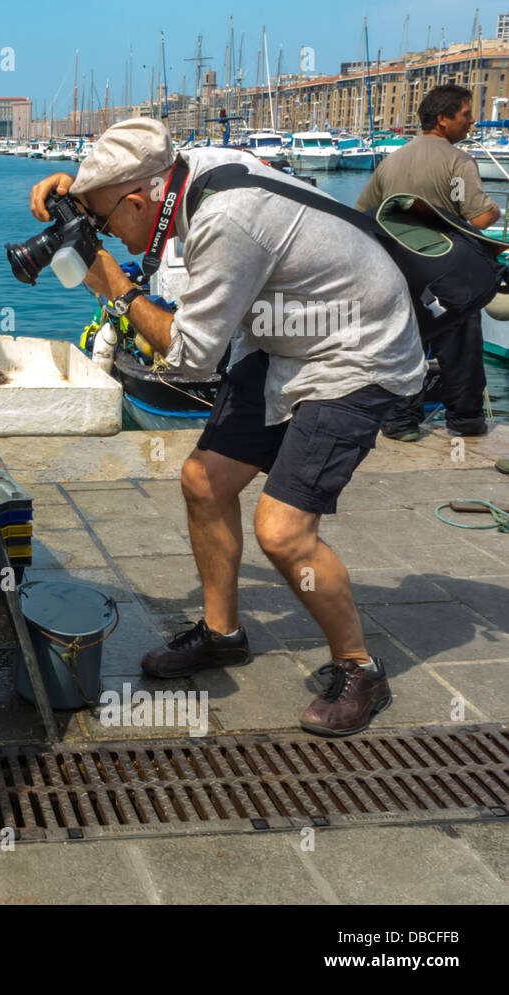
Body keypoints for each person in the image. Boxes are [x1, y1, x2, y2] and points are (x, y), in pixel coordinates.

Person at [30, 118, 427, 736]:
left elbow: (190, 360)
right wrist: (78, 190)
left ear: (140, 200)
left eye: (105, 223)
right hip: (287, 339)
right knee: (203, 480)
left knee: (283, 530)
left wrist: (113, 284)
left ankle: (361, 669)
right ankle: (222, 636)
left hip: (357, 352)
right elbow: (146, 161)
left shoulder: (224, 223)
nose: (105, 234)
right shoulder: (189, 170)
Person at [356, 84, 500, 441]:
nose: (472, 122)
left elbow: (361, 216)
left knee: (404, 347)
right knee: (461, 346)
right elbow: (481, 215)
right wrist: (492, 213)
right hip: (446, 276)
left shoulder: (391, 161)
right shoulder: (458, 160)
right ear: (443, 119)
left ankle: (401, 423)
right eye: (466, 114)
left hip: (398, 275)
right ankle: (465, 423)